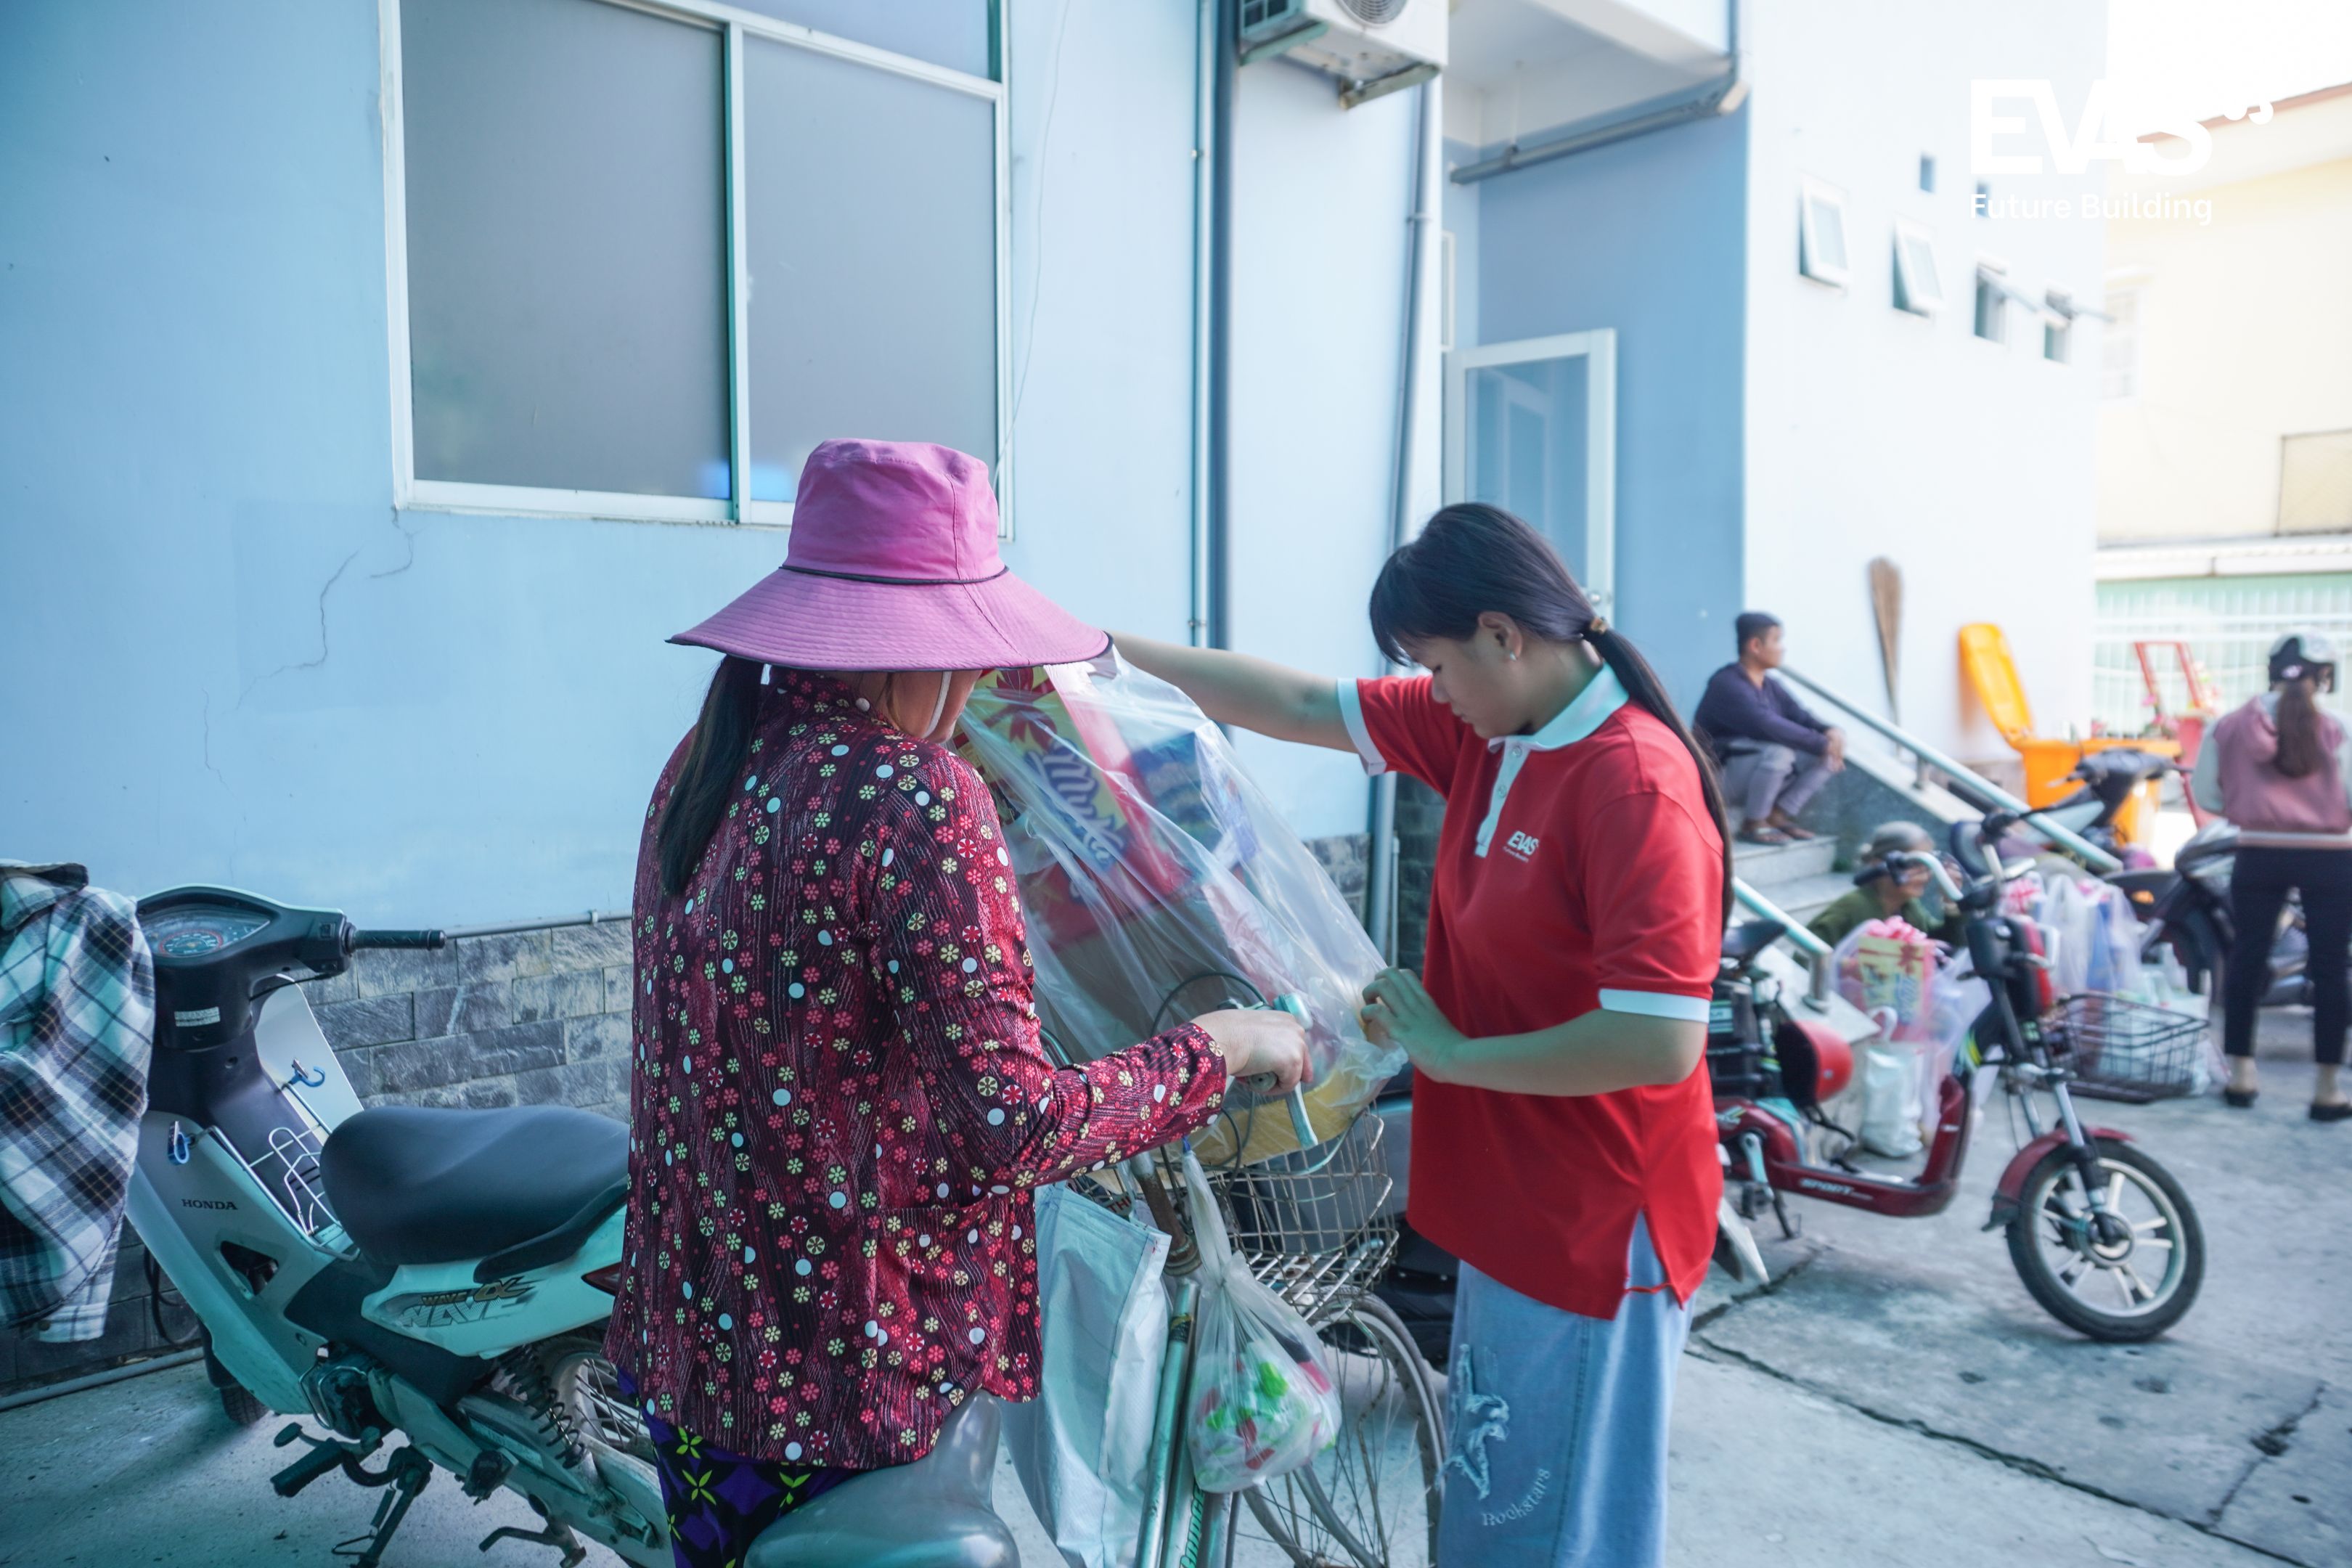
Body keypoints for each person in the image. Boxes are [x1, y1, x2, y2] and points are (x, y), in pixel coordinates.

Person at [606, 439, 1310, 1568]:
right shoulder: (917, 794)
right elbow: (1016, 1125)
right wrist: (1216, 1049)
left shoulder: (706, 760)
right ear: (915, 647)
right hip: (855, 1369)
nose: (980, 685)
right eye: (971, 659)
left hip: (703, 1351)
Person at [1117, 502, 1728, 1568]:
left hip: (1593, 1218)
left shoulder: (1633, 784)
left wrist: (1450, 1054)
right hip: (1511, 1195)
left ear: (1504, 635)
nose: (1432, 691)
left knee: (1557, 1528)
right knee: (1497, 1503)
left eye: (1436, 665)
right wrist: (1085, 652)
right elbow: (1293, 701)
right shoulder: (1495, 730)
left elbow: (1656, 1041)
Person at [2192, 631, 2352, 1122]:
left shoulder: (2226, 726)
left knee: (2246, 958)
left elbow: (2209, 796)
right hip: (2330, 858)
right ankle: (2327, 1089)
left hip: (2257, 853)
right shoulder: (2340, 728)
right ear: (2324, 677)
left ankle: (2241, 1076)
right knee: (2330, 969)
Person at [1693, 611, 1845, 846]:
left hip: (1748, 771)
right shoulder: (1727, 684)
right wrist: (1822, 743)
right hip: (1717, 779)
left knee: (1829, 758)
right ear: (1755, 645)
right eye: (1777, 640)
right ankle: (1754, 822)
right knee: (1779, 751)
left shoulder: (1770, 685)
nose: (1783, 648)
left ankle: (1777, 815)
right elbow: (1765, 724)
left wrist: (1831, 731)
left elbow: (1801, 716)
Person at [1807, 821, 1964, 948]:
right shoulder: (1853, 908)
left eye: (1928, 864)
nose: (1925, 875)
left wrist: (1950, 902)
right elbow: (1807, 957)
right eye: (1914, 864)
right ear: (1879, 864)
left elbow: (1941, 942)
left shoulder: (1908, 906)